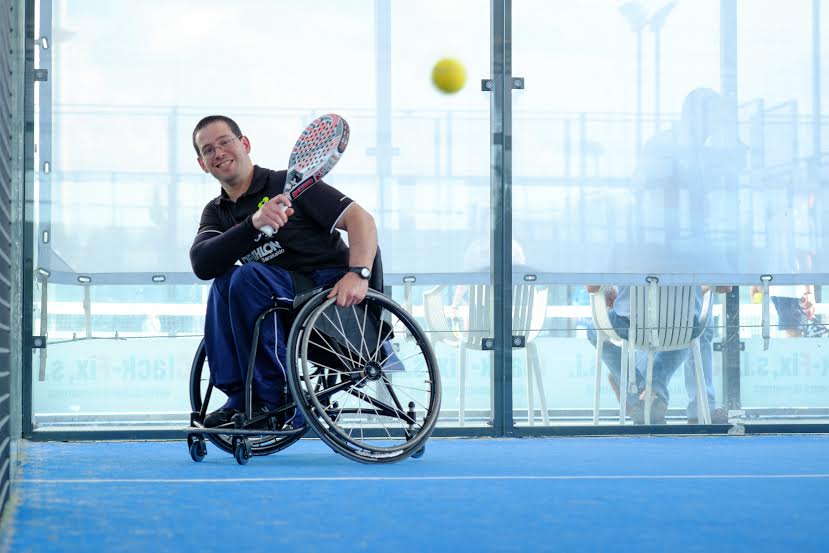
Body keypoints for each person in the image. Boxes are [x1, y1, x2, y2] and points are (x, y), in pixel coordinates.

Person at [189, 115, 378, 428]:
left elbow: (361, 220)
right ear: (202, 164)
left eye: (225, 142)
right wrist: (253, 223)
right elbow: (202, 263)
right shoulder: (217, 211)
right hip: (278, 303)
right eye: (208, 150)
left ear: (244, 144)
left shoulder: (287, 183)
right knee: (224, 282)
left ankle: (276, 397)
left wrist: (358, 274)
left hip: (327, 296)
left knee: (248, 277)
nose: (218, 152)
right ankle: (240, 397)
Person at [585, 284, 708, 424]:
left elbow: (591, 287)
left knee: (592, 330)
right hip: (683, 325)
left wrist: (610, 289)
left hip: (631, 325)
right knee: (687, 331)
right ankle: (654, 389)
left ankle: (637, 395)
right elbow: (725, 287)